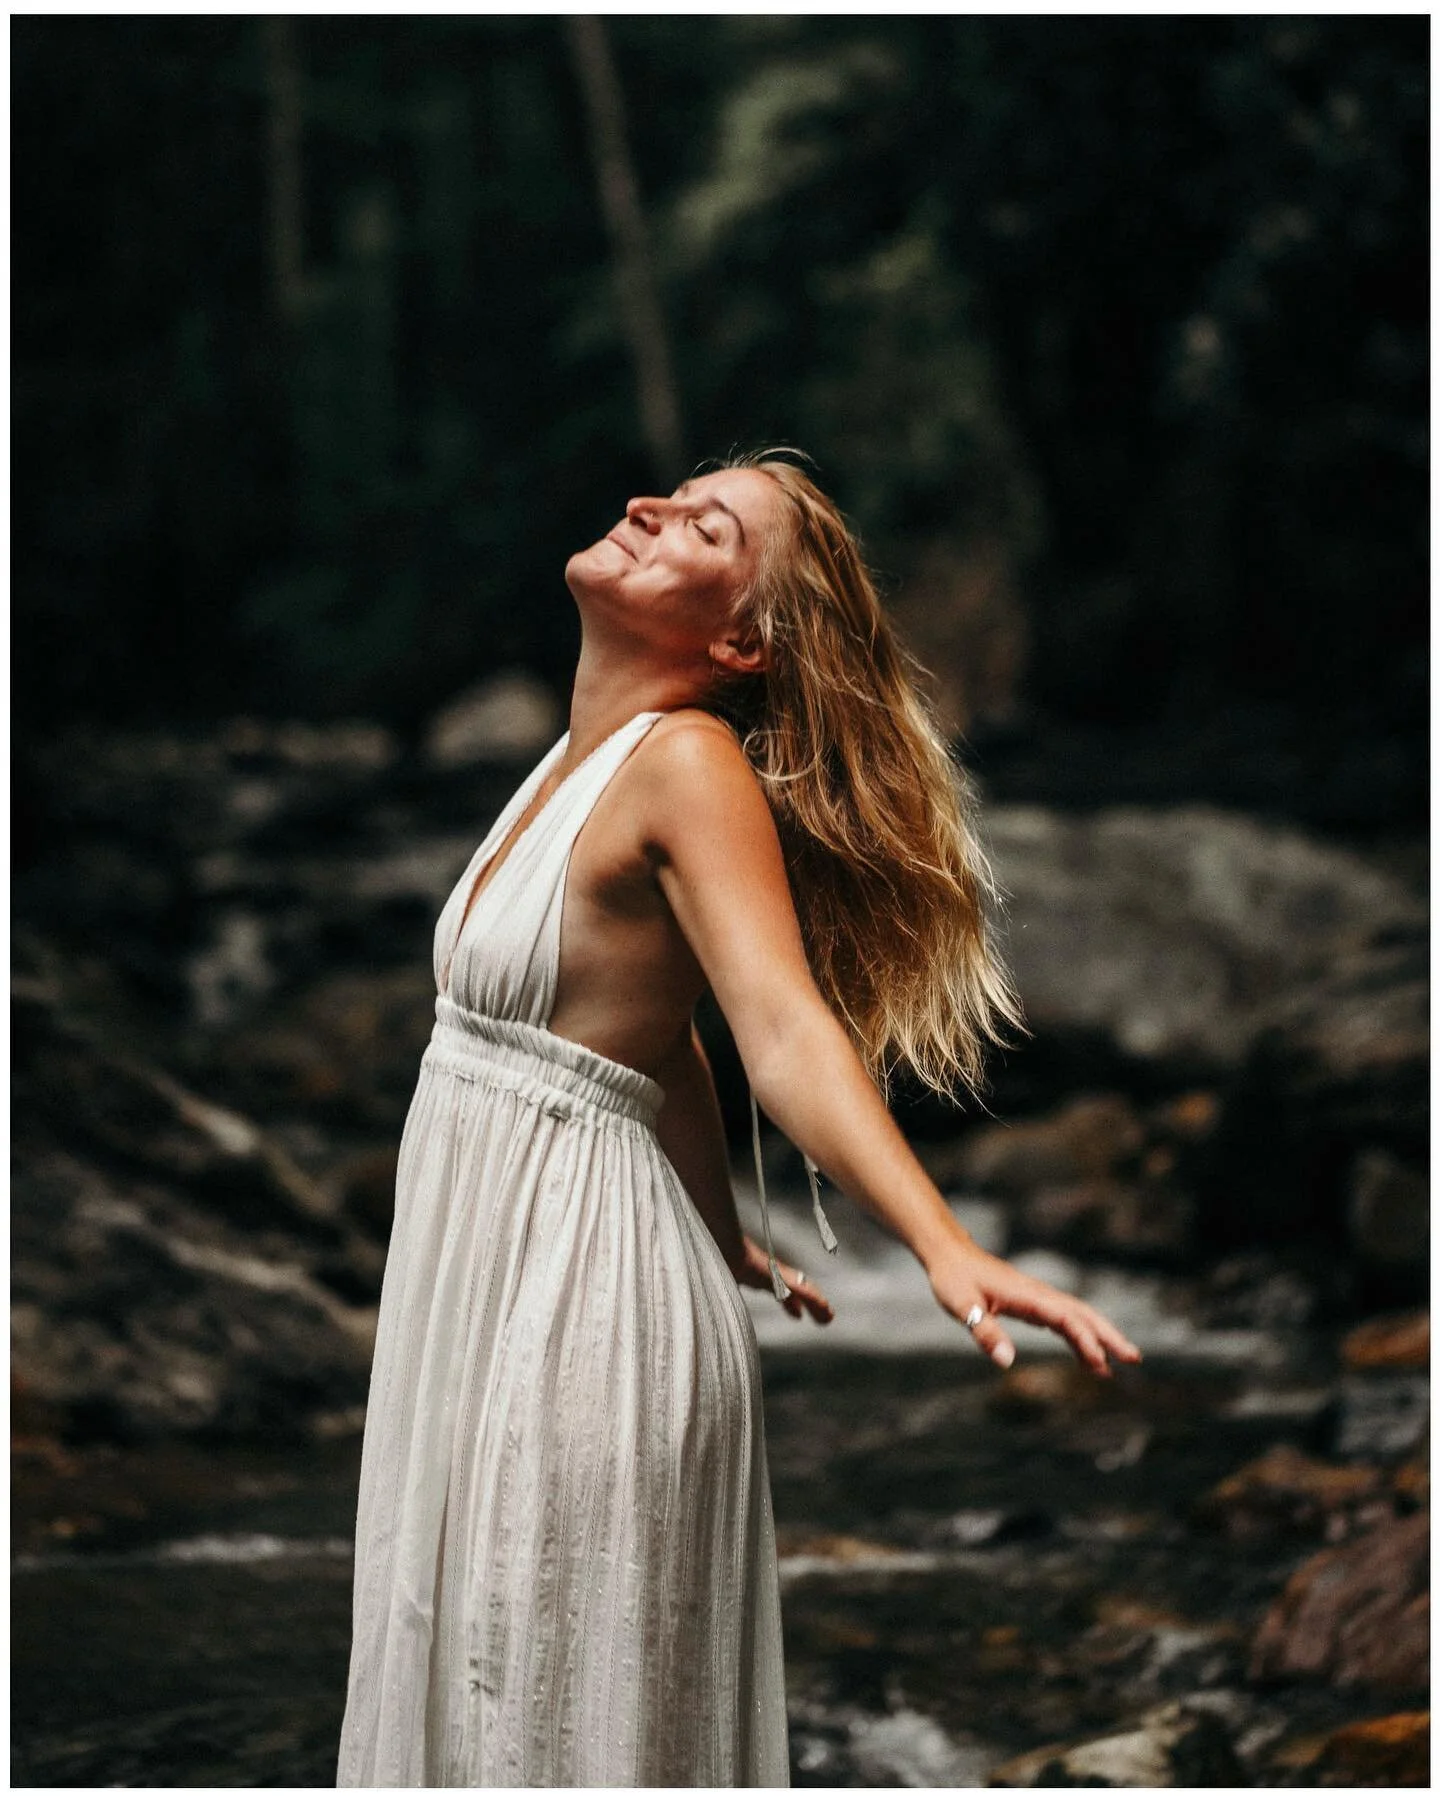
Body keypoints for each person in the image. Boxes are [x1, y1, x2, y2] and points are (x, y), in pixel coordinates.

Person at [335, 450, 1141, 1787]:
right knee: (474, 1675)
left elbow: (779, 1030)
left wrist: (943, 1246)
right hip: (532, 1275)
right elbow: (656, 1042)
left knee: (540, 1699)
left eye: (704, 524)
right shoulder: (575, 761)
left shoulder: (688, 766)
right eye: (674, 492)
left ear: (741, 638)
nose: (649, 506)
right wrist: (717, 1230)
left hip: (576, 1305)